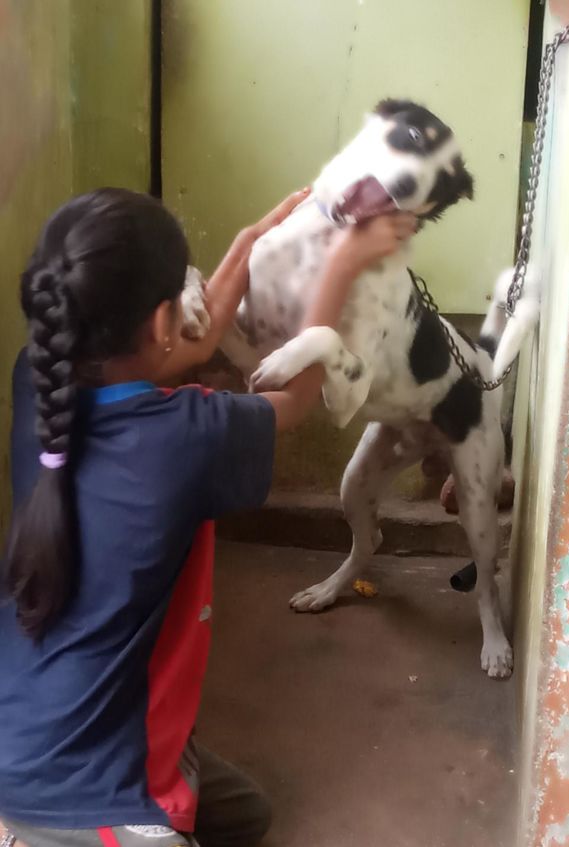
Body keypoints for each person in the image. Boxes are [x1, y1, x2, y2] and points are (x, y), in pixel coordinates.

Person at [0, 187, 415, 847]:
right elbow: (297, 395)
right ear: (162, 321)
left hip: (23, 723)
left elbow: (192, 343)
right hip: (85, 787)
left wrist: (250, 244)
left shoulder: (35, 379)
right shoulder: (187, 435)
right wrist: (340, 264)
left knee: (246, 814)